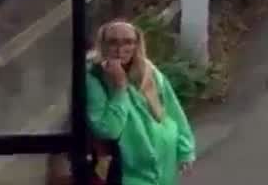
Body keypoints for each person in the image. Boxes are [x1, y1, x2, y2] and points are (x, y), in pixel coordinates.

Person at [82, 19, 196, 185]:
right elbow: (107, 130)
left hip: (165, 163)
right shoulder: (94, 79)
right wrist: (120, 88)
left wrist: (185, 149)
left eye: (128, 42)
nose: (121, 49)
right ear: (103, 45)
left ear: (137, 45)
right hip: (130, 171)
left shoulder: (149, 70)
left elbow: (172, 110)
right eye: (113, 42)